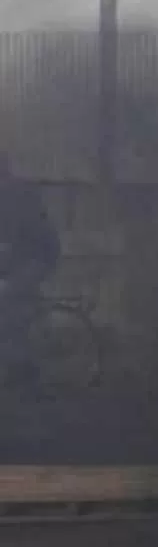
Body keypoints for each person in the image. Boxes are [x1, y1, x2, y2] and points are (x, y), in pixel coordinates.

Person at [0, 152, 61, 390]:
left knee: (7, 297)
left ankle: (24, 369)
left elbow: (15, 234)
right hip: (19, 256)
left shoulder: (17, 193)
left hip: (40, 255)